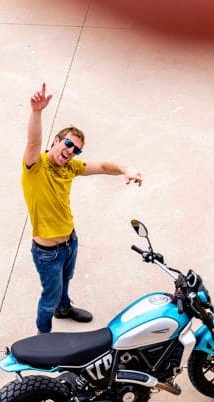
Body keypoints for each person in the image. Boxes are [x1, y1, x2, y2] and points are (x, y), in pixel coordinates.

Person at [22, 82, 143, 334]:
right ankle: (43, 337)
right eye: (67, 144)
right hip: (47, 253)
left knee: (65, 282)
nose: (70, 151)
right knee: (49, 299)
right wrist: (36, 112)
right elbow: (33, 143)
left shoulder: (70, 167)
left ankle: (64, 309)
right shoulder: (37, 166)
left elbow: (101, 166)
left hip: (70, 242)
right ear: (56, 140)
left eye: (76, 149)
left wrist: (125, 169)